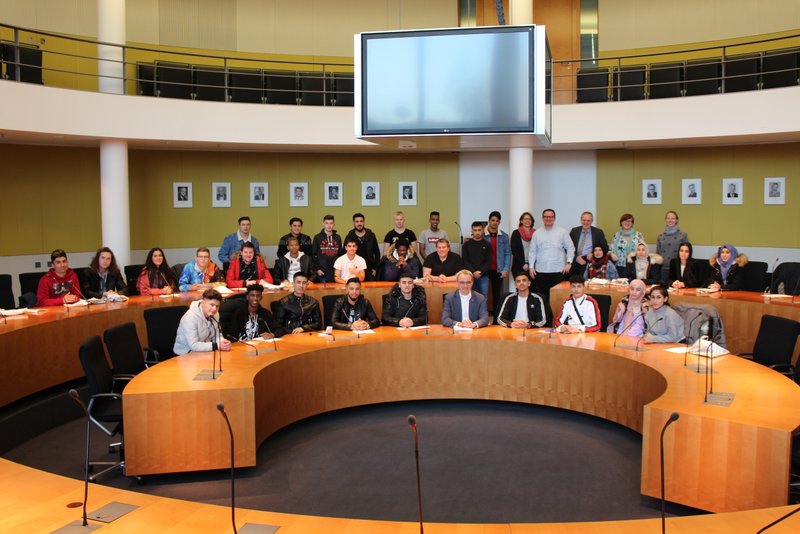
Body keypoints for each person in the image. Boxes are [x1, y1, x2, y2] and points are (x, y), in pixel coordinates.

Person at [527, 209, 575, 296]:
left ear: (554, 218)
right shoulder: (537, 233)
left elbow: (570, 248)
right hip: (541, 270)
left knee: (558, 297)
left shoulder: (562, 232)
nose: (548, 218)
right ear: (542, 218)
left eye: (551, 216)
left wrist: (569, 263)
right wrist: (531, 267)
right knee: (542, 296)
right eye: (546, 217)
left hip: (558, 270)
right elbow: (532, 251)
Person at [173, 288, 232, 355]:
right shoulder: (190, 317)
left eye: (217, 306)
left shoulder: (215, 314)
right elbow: (193, 345)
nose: (214, 309)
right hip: (184, 354)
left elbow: (217, 335)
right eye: (212, 305)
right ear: (203, 303)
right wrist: (217, 346)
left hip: (203, 352)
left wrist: (223, 342)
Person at [484, 211, 511, 315]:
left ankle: (496, 317)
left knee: (497, 295)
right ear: (489, 221)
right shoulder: (483, 235)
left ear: (499, 222)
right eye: (493, 220)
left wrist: (505, 269)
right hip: (485, 269)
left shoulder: (504, 236)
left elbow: (507, 253)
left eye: (497, 221)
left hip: (498, 270)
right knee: (483, 294)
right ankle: (483, 316)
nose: (494, 222)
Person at [569, 211, 609, 277]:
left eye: (588, 220)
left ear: (592, 221)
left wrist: (593, 254)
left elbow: (605, 248)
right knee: (574, 282)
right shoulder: (574, 231)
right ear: (581, 220)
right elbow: (568, 247)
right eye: (584, 220)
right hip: (575, 263)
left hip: (590, 264)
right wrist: (576, 257)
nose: (586, 222)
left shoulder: (598, 232)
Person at [345, 213, 381, 280]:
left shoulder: (371, 235)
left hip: (369, 269)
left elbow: (377, 253)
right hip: (354, 269)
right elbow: (344, 253)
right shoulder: (350, 235)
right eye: (357, 221)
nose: (359, 223)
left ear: (364, 222)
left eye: (361, 221)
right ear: (353, 223)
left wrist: (375, 268)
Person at [462, 221, 492, 296]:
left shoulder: (487, 245)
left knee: (483, 297)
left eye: (479, 230)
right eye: (475, 230)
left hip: (483, 276)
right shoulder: (466, 245)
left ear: (483, 230)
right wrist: (473, 272)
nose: (477, 232)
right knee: (470, 296)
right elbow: (465, 260)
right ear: (472, 231)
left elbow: (488, 261)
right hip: (470, 276)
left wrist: (480, 272)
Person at [312, 214, 343, 283]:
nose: (329, 225)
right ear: (323, 224)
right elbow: (314, 255)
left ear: (334, 224)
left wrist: (339, 269)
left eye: (331, 223)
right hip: (322, 272)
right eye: (327, 223)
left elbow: (340, 254)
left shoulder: (338, 237)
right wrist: (317, 269)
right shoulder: (317, 237)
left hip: (335, 271)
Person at [510, 211, 535, 275]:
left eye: (529, 219)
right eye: (525, 219)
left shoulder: (536, 233)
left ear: (532, 221)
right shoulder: (516, 233)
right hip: (519, 266)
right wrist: (523, 264)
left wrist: (530, 264)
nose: (527, 221)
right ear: (521, 221)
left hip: (533, 266)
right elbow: (514, 250)